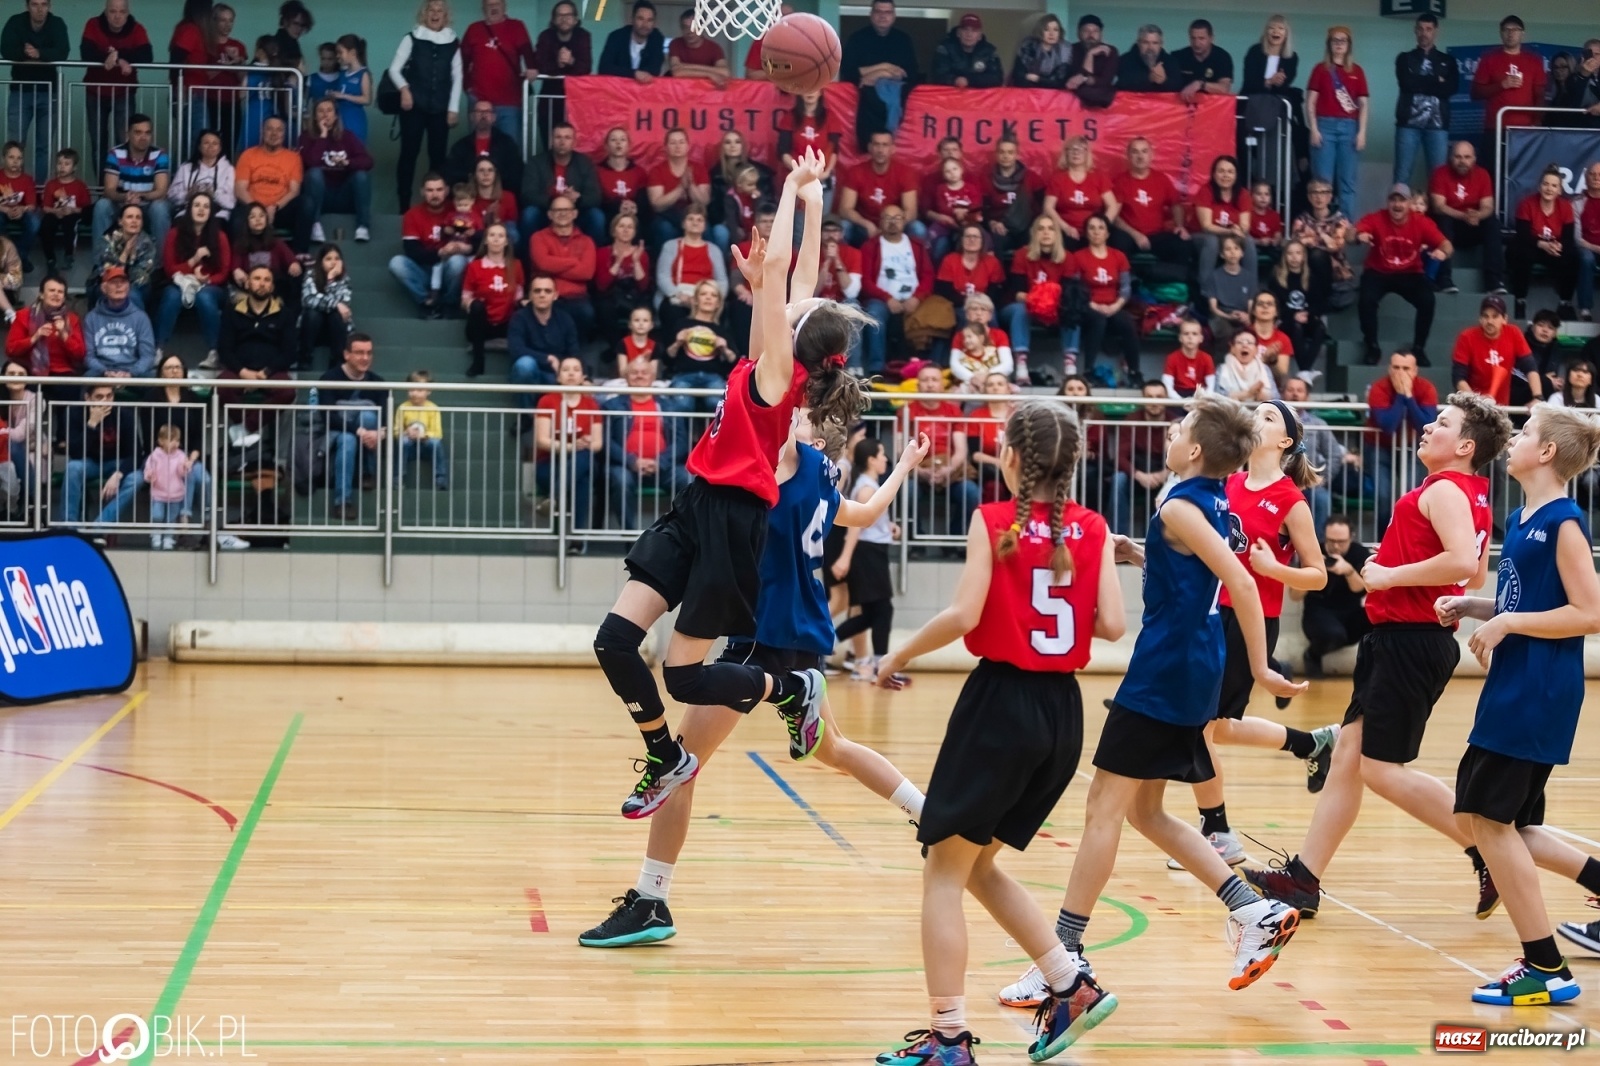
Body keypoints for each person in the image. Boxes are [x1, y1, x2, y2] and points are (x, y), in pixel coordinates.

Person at [993, 395, 1303, 1038]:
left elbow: (1242, 585)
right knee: (1146, 811)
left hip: (1166, 672)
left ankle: (1065, 955)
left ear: (1194, 451)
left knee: (1103, 807)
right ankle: (1252, 911)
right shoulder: (1216, 503)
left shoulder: (1180, 505)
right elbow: (1203, 570)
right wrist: (1142, 555)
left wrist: (1265, 665)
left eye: (1180, 426)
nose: (1170, 429)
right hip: (1193, 667)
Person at [580, 413, 930, 949]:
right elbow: (866, 512)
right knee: (833, 747)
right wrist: (903, 466)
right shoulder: (822, 479)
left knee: (681, 766)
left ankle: (651, 899)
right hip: (807, 633)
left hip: (761, 632)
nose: (783, 417)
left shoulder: (780, 470)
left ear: (808, 438)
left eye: (797, 414)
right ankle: (930, 815)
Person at [592, 149, 873, 817]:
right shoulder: (769, 357)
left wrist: (792, 183)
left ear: (797, 338)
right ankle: (664, 756)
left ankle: (788, 690)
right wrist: (809, 203)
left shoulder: (778, 378)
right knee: (613, 642)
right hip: (696, 506)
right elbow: (793, 273)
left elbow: (782, 272)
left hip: (733, 520)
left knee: (684, 677)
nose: (788, 305)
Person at [871, 401, 1126, 1063]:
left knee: (942, 875)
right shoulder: (1093, 529)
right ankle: (1071, 986)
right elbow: (1112, 627)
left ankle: (949, 1038)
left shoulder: (991, 521)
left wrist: (895, 656)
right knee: (976, 864)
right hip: (1062, 714)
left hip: (1002, 705)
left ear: (1012, 457)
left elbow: (963, 614)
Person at [1244, 393, 1510, 920]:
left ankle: (1487, 848)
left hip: (1411, 641)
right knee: (1345, 758)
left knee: (1381, 771)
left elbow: (1460, 561)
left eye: (1442, 422)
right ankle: (1303, 879)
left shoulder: (1446, 490)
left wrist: (1389, 574)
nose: (1429, 427)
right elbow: (1474, 574)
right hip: (1398, 638)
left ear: (1464, 445)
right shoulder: (1472, 492)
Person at [1438, 408, 1600, 1006]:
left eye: (1526, 433)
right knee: (1509, 824)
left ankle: (1545, 967)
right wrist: (1479, 607)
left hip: (1539, 688)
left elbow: (1590, 613)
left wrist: (1506, 621)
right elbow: (1527, 599)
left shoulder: (1564, 522)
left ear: (1549, 453)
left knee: (1487, 818)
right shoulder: (1523, 516)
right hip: (1514, 683)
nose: (1514, 440)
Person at [1159, 400, 1333, 875]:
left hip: (1252, 620)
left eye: (1270, 415)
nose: (1258, 417)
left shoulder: (1290, 500)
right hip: (1212, 611)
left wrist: (1277, 569)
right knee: (1218, 725)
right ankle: (1310, 743)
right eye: (1255, 410)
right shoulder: (1228, 482)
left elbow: (1317, 575)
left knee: (1204, 726)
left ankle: (1218, 832)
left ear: (1285, 442)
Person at [1355, 184, 1450, 366]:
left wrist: (1443, 253)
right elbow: (1352, 233)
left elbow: (1447, 244)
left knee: (1427, 300)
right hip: (1378, 271)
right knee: (1366, 299)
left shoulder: (1421, 222)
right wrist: (1359, 236)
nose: (1397, 205)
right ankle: (1372, 346)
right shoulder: (1377, 218)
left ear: (1410, 204)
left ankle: (1419, 348)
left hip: (1410, 273)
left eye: (1402, 200)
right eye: (1393, 200)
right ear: (1388, 202)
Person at [599, 356, 691, 530]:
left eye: (644, 372)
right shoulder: (612, 406)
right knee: (620, 479)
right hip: (626, 466)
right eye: (634, 373)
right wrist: (632, 461)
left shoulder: (670, 406)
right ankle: (630, 538)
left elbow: (681, 442)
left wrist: (660, 462)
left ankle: (683, 536)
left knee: (686, 478)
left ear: (652, 378)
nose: (639, 376)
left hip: (663, 467)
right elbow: (606, 441)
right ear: (626, 378)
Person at [389, 0, 463, 212]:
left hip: (440, 108)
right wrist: (404, 89)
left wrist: (453, 108)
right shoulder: (412, 38)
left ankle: (436, 206)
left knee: (438, 157)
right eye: (431, 10)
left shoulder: (453, 42)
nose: (435, 14)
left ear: (445, 15)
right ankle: (404, 206)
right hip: (414, 106)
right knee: (408, 155)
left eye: (439, 10)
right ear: (425, 13)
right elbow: (394, 70)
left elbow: (458, 77)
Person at [314, 333, 386, 521]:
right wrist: (359, 430)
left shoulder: (378, 382)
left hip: (368, 433)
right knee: (348, 439)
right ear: (346, 355)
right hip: (336, 431)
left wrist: (380, 433)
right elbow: (329, 416)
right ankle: (342, 502)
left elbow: (386, 417)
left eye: (369, 353)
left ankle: (368, 473)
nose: (365, 358)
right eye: (359, 353)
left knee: (369, 416)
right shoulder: (329, 378)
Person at [80, 0, 152, 184]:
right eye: (113, 11)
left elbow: (147, 56)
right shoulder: (93, 24)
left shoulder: (137, 29)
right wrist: (108, 57)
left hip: (124, 93)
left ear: (128, 12)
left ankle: (125, 186)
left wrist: (118, 57)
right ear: (105, 11)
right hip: (95, 92)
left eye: (122, 11)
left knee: (126, 142)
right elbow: (86, 53)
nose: (117, 16)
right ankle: (104, 188)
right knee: (98, 143)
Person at [1290, 513, 1370, 678]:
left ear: (1351, 537)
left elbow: (1363, 590)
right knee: (1333, 634)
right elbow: (1294, 595)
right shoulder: (1313, 552)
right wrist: (1313, 574)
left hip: (1350, 613)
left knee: (1378, 622)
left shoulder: (1360, 553)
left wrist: (1348, 571)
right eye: (1331, 541)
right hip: (1319, 612)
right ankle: (1312, 655)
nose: (1336, 547)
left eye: (1341, 542)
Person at [1002, 215, 1076, 386]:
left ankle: (1070, 367)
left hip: (1055, 307)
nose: (1046, 232)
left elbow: (1068, 293)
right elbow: (1018, 293)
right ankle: (1021, 365)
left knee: (1073, 309)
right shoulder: (1022, 254)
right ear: (1034, 233)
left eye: (1050, 228)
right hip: (1025, 306)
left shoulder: (1067, 257)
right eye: (1041, 228)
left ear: (1057, 233)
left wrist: (1049, 303)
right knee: (1020, 309)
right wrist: (1040, 299)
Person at [859, 205, 931, 377]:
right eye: (887, 218)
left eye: (897, 218)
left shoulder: (916, 246)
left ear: (904, 221)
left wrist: (917, 298)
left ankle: (926, 367)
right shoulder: (871, 246)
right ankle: (876, 367)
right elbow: (866, 280)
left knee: (939, 315)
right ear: (880, 222)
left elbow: (928, 276)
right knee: (875, 314)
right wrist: (887, 298)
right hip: (882, 299)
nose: (892, 222)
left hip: (914, 298)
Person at [1, 0, 69, 182]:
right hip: (20, 92)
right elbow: (6, 49)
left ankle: (38, 193)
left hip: (49, 93)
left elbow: (62, 52)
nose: (39, 9)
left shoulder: (57, 24)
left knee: (44, 147)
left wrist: (40, 54)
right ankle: (12, 192)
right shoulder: (16, 22)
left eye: (44, 4)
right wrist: (27, 54)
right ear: (27, 6)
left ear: (50, 6)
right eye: (35, 4)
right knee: (15, 145)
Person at [390, 173, 474, 318]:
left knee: (458, 261)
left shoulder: (458, 208)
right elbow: (412, 251)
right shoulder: (412, 214)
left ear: (447, 191)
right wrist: (440, 252)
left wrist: (462, 248)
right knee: (396, 263)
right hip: (424, 268)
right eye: (430, 190)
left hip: (449, 268)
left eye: (439, 189)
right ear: (422, 192)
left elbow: (476, 238)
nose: (435, 194)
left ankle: (449, 303)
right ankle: (427, 302)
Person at [1305, 27, 1368, 221]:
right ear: (1329, 44)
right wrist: (1314, 128)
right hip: (1325, 127)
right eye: (1335, 40)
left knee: (1347, 182)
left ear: (1349, 45)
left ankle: (1345, 226)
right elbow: (1310, 102)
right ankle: (1322, 223)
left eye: (1343, 40)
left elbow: (1364, 104)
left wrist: (1362, 132)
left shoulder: (1357, 71)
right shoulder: (1320, 69)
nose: (1339, 43)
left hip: (1349, 127)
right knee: (1323, 183)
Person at [155, 190, 227, 360]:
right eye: (197, 205)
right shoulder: (174, 234)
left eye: (206, 206)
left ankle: (214, 351)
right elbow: (170, 269)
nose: (201, 210)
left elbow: (224, 272)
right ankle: (158, 349)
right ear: (189, 210)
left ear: (211, 212)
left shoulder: (220, 236)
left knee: (204, 297)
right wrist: (193, 260)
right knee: (171, 295)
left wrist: (207, 280)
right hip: (180, 282)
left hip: (211, 285)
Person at [59, 382, 141, 527]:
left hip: (116, 462)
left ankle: (99, 526)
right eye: (99, 397)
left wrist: (119, 474)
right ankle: (69, 526)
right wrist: (92, 423)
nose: (105, 401)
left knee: (137, 478)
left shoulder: (124, 414)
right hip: (89, 461)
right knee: (73, 468)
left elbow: (135, 452)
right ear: (87, 398)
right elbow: (75, 452)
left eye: (109, 396)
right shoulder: (74, 412)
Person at [1427, 141, 1503, 297]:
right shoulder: (1440, 173)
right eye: (1458, 157)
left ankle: (1493, 280)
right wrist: (1464, 216)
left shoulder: (1482, 174)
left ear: (1474, 159)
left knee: (1492, 222)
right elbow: (1438, 206)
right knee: (1442, 219)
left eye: (1467, 157)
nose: (1462, 161)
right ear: (1450, 158)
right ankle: (1444, 279)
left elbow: (1488, 206)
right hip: (1449, 227)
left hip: (1471, 227)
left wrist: (1477, 215)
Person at [839, 0, 920, 145]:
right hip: (866, 107)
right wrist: (885, 68)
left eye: (887, 12)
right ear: (871, 14)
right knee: (866, 146)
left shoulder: (903, 40)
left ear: (894, 16)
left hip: (895, 107)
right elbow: (847, 71)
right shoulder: (857, 39)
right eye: (878, 12)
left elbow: (911, 74)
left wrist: (875, 74)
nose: (883, 16)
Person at [1470, 15, 1543, 175]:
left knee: (1521, 174)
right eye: (1506, 30)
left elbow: (1540, 94)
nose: (1511, 33)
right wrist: (1501, 85)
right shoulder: (1489, 58)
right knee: (1492, 173)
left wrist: (1536, 122)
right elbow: (1475, 93)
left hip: (1524, 130)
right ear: (1501, 33)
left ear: (1522, 34)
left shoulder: (1534, 61)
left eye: (1515, 30)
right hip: (1495, 128)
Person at [216, 265, 296, 410]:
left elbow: (289, 353)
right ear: (248, 283)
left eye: (267, 280)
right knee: (221, 388)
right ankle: (246, 426)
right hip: (238, 371)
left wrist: (265, 373)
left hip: (272, 372)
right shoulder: (232, 312)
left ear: (272, 287)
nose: (262, 283)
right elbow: (224, 349)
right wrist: (243, 372)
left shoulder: (285, 314)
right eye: (257, 278)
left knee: (287, 392)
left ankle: (247, 427)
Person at [1394, 13, 1459, 188]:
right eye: (1421, 29)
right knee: (1402, 175)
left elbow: (1450, 89)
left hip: (1437, 126)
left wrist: (1420, 82)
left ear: (1436, 31)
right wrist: (1436, 81)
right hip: (1408, 124)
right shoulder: (1404, 58)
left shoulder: (1448, 61)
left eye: (1429, 29)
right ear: (1415, 31)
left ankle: (1435, 216)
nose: (1424, 33)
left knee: (1438, 177)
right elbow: (1407, 83)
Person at [1074, 215, 1140, 384]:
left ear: (1108, 233)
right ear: (1086, 233)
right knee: (1098, 320)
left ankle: (1134, 371)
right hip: (1088, 306)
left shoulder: (1119, 257)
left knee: (1127, 322)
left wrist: (1115, 306)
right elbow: (1075, 288)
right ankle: (1088, 370)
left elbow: (1125, 288)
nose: (1096, 232)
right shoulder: (1078, 257)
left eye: (1101, 228)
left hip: (1113, 306)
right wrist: (1093, 305)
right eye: (1092, 228)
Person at [1109, 137, 1190, 271]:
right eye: (1135, 152)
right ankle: (1126, 283)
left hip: (1156, 235)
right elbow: (1114, 216)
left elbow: (1176, 204)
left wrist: (1180, 226)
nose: (1140, 156)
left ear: (1151, 155)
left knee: (1181, 244)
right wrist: (1136, 235)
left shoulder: (1161, 179)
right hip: (1130, 235)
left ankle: (1172, 285)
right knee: (1117, 241)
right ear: (1128, 156)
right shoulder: (1120, 181)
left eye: (1144, 151)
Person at [300, 99, 373, 245]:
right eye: (321, 111)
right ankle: (315, 225)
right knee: (314, 173)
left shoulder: (348, 136)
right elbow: (311, 162)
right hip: (320, 197)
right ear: (315, 116)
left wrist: (348, 163)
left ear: (336, 115)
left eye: (329, 110)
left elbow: (368, 161)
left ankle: (363, 226)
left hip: (343, 196)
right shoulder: (306, 137)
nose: (325, 115)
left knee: (361, 175)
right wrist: (323, 136)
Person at [94, 112, 171, 253]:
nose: (143, 137)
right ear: (127, 134)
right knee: (102, 205)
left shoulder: (159, 154)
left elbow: (161, 190)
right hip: (122, 204)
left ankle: (160, 268)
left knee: (160, 208)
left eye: (147, 133)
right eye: (138, 132)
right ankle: (101, 265)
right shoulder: (115, 154)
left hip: (148, 205)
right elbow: (109, 190)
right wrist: (125, 197)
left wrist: (140, 196)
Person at [1511, 166, 1579, 321]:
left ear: (1560, 190)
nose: (1549, 188)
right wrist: (1542, 244)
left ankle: (1565, 303)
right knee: (1521, 253)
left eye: (1554, 186)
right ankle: (1520, 300)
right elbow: (1522, 235)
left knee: (1572, 256)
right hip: (1533, 245)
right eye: (1546, 184)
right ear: (1539, 186)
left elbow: (1568, 237)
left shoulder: (1565, 206)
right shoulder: (1527, 203)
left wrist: (1559, 245)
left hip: (1554, 247)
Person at [460, 0, 533, 144]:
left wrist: (532, 69)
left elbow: (529, 54)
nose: (493, 7)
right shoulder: (473, 29)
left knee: (509, 149)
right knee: (479, 150)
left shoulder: (516, 26)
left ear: (504, 6)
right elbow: (461, 62)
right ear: (483, 8)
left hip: (509, 102)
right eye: (489, 4)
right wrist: (468, 88)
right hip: (479, 102)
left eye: (497, 3)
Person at [529, 194, 596, 340]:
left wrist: (554, 267)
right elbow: (542, 264)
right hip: (546, 296)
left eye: (567, 209)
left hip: (577, 298)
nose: (563, 213)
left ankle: (574, 357)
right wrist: (573, 261)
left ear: (575, 213)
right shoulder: (538, 237)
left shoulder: (586, 241)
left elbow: (586, 273)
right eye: (557, 210)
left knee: (587, 313)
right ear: (550, 214)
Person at [1453, 295, 1538, 407]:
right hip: (1471, 405)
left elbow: (1530, 367)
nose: (1489, 321)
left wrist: (1537, 397)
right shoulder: (1466, 337)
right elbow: (1458, 377)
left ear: (1504, 319)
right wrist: (1476, 401)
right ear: (1480, 319)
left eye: (1495, 316)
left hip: (1501, 407)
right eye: (1485, 316)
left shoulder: (1513, 333)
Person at [521, 122, 601, 241]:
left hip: (575, 213)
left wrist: (578, 198)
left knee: (596, 216)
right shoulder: (536, 162)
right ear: (551, 140)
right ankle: (528, 258)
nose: (562, 142)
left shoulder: (585, 163)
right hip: (547, 212)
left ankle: (595, 257)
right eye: (558, 137)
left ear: (574, 142)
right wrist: (556, 200)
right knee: (529, 214)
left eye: (567, 137)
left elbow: (596, 197)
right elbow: (527, 194)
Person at [837, 130, 920, 246]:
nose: (880, 150)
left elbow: (911, 211)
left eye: (885, 145)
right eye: (876, 144)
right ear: (870, 147)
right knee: (843, 226)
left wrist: (892, 225)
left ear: (892, 149)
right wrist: (865, 223)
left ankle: (917, 263)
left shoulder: (905, 172)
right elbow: (845, 209)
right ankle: (844, 263)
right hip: (864, 227)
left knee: (918, 228)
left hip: (894, 225)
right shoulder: (856, 171)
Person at [461, 221, 520, 377]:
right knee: (477, 306)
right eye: (492, 235)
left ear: (506, 241)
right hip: (481, 324)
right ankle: (478, 362)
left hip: (506, 323)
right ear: (486, 240)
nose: (496, 239)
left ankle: (516, 367)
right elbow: (466, 296)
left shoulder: (516, 266)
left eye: (500, 236)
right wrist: (471, 304)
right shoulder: (475, 266)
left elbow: (519, 294)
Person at [6, 274, 82, 393]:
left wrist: (64, 335)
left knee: (70, 388)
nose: (56, 294)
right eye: (51, 290)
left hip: (62, 373)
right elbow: (11, 350)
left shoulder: (71, 319)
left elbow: (80, 354)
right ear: (41, 294)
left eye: (60, 292)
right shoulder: (23, 316)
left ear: (64, 297)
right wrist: (35, 337)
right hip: (30, 371)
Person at [1291, 179, 1354, 310]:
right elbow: (1297, 243)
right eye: (1314, 193)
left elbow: (1335, 246)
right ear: (1308, 196)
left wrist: (1312, 238)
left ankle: (1322, 297)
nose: (1319, 197)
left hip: (1334, 269)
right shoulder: (1301, 219)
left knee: (1317, 255)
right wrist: (1324, 238)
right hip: (1307, 266)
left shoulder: (1340, 220)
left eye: (1324, 192)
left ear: (1330, 196)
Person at [644, 128, 711, 251]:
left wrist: (691, 185)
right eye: (673, 142)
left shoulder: (699, 169)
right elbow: (657, 205)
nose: (677, 146)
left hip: (694, 216)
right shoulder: (657, 170)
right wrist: (680, 188)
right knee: (664, 229)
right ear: (666, 147)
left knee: (708, 231)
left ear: (688, 146)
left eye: (681, 142)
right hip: (666, 217)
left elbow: (704, 202)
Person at [1268, 241, 1328, 374]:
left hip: (1307, 317)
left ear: (1304, 256)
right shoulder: (1277, 277)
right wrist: (1293, 315)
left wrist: (1308, 313)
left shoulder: (1311, 277)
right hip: (1286, 320)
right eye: (1290, 253)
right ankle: (1305, 371)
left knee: (1321, 328)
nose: (1294, 257)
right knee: (1297, 327)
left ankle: (1304, 369)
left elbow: (1320, 304)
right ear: (1285, 256)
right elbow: (1275, 304)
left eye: (1298, 253)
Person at [531, 0, 590, 135]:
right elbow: (540, 65)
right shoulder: (546, 36)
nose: (564, 19)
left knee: (575, 140)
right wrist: (558, 64)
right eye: (560, 15)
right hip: (549, 99)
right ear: (554, 19)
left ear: (575, 19)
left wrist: (571, 61)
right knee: (549, 139)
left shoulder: (583, 36)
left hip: (576, 100)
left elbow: (585, 67)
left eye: (568, 15)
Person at [447, 97, 522, 196]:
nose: (483, 115)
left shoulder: (507, 143)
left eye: (487, 112)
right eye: (479, 112)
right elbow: (452, 174)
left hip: (500, 196)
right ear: (471, 117)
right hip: (468, 198)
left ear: (494, 117)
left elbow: (515, 173)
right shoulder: (460, 146)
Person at [91, 201, 158, 311]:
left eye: (138, 218)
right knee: (110, 292)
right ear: (120, 221)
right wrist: (125, 253)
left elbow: (141, 277)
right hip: (106, 283)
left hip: (136, 286)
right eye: (129, 217)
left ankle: (138, 326)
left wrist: (127, 264)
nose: (134, 221)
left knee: (132, 295)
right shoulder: (107, 240)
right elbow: (107, 273)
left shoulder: (148, 243)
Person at [300, 242, 353, 370]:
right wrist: (335, 304)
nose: (333, 263)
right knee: (313, 313)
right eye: (328, 259)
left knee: (337, 315)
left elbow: (344, 303)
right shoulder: (310, 275)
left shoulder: (344, 280)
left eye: (337, 259)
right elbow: (308, 299)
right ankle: (305, 358)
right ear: (321, 261)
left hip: (335, 330)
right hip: (313, 329)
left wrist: (331, 280)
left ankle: (337, 362)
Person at [395, 368, 448, 492]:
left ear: (428, 391)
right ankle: (398, 478)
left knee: (436, 443)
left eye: (419, 390)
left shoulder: (433, 408)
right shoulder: (403, 407)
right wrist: (406, 432)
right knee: (402, 442)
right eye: (411, 389)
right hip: (410, 446)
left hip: (426, 445)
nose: (414, 393)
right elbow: (396, 430)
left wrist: (424, 436)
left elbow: (437, 433)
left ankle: (441, 479)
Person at [169, 130, 235, 225]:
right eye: (206, 143)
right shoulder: (186, 167)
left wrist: (214, 194)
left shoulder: (228, 169)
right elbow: (171, 195)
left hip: (218, 213)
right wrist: (188, 194)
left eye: (215, 143)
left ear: (220, 148)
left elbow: (231, 203)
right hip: (188, 211)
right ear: (199, 147)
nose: (210, 146)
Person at [38, 148, 88, 272]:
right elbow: (45, 207)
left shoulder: (80, 186)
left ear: (74, 167)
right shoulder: (51, 184)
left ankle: (69, 255)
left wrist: (72, 210)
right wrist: (56, 212)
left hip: (72, 214)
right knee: (46, 224)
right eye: (59, 163)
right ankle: (50, 258)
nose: (62, 167)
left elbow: (85, 208)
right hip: (55, 213)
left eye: (66, 164)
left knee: (70, 224)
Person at [1202, 234, 1257, 340]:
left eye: (1236, 248)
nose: (1232, 252)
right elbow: (1213, 308)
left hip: (1242, 314)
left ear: (1242, 253)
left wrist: (1248, 316)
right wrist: (1228, 316)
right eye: (1228, 249)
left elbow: (1251, 304)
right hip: (1221, 315)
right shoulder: (1214, 276)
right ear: (1222, 254)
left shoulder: (1249, 277)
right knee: (1225, 331)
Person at [595, 0, 663, 81]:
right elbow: (604, 68)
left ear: (654, 23)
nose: (645, 24)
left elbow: (655, 70)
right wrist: (634, 73)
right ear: (632, 20)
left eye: (649, 20)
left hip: (644, 91)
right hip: (617, 89)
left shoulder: (657, 38)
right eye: (640, 19)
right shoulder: (616, 37)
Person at [931, 12, 1003, 89]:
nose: (969, 34)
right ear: (958, 33)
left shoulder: (989, 51)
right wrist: (955, 80)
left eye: (974, 30)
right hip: (950, 97)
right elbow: (937, 75)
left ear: (980, 36)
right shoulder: (945, 48)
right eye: (965, 29)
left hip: (980, 99)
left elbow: (997, 79)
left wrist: (969, 80)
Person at [1170, 18, 1233, 103]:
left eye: (1201, 38)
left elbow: (1224, 88)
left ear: (1211, 38)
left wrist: (1200, 84)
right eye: (1193, 38)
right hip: (1181, 109)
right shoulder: (1178, 56)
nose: (1196, 43)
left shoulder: (1222, 57)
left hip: (1212, 110)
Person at [1241, 14, 1299, 104]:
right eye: (1271, 28)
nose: (1276, 31)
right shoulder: (1255, 51)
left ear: (1286, 34)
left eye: (1281, 28)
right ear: (1266, 32)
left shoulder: (1291, 57)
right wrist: (1269, 81)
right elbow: (1249, 81)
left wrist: (1280, 81)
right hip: (1251, 102)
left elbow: (1286, 84)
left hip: (1277, 104)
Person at [327, 34, 372, 147]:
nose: (338, 56)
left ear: (352, 52)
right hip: (340, 119)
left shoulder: (363, 74)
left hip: (354, 119)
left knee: (354, 150)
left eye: (340, 52)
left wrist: (344, 96)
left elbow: (367, 99)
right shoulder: (342, 74)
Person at [665, 8, 727, 85]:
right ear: (681, 28)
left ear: (703, 27)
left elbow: (725, 72)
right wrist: (710, 74)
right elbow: (677, 72)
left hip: (705, 93)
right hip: (680, 92)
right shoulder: (675, 44)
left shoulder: (714, 48)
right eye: (685, 27)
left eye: (694, 27)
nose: (690, 31)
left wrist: (685, 67)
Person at [1011, 14, 1070, 89]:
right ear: (1040, 31)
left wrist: (1037, 79)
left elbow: (1059, 82)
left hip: (1053, 95)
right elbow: (1018, 76)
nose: (1051, 34)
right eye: (1046, 29)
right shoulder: (1028, 46)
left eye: (1055, 30)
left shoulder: (1065, 50)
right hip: (1028, 92)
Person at [1116, 23, 1175, 93]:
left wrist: (1164, 80)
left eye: (1155, 43)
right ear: (1138, 43)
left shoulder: (1170, 61)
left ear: (1161, 44)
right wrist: (1148, 79)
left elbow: (1178, 87)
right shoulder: (1124, 60)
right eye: (1145, 42)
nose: (1150, 47)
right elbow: (1121, 86)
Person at [1162, 318, 1214, 397]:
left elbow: (1211, 386)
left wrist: (1201, 402)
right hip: (1178, 395)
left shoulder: (1207, 358)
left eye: (1194, 334)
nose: (1190, 337)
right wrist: (1181, 402)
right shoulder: (1172, 358)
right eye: (1186, 333)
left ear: (1201, 338)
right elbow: (1167, 386)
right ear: (1180, 338)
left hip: (1200, 395)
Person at [1577, 161, 1600, 323]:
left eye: (1599, 175)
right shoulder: (1577, 202)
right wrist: (1596, 248)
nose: (1596, 178)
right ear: (1586, 179)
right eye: (1592, 174)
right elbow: (1576, 238)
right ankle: (1585, 309)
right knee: (1586, 259)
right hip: (1587, 248)